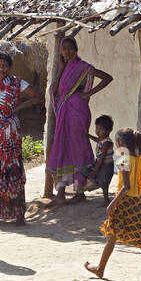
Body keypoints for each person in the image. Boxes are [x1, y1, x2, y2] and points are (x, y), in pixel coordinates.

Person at [84, 128, 141, 281]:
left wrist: (113, 203)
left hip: (124, 201)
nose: (116, 145)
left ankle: (100, 268)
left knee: (112, 233)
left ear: (122, 144)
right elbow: (137, 182)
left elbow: (126, 186)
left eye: (117, 142)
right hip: (138, 201)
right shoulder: (140, 160)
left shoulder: (123, 158)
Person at [43, 36, 112, 204]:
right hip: (63, 113)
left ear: (76, 49)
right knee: (64, 148)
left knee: (77, 148)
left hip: (77, 111)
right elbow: (57, 89)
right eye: (64, 48)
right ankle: (62, 193)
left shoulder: (82, 67)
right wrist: (61, 67)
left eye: (70, 48)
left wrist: (89, 93)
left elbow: (107, 78)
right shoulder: (64, 68)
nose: (67, 51)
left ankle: (79, 191)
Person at [0, 52, 40, 225]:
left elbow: (37, 97)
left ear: (9, 67)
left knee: (11, 169)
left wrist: (18, 108)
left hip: (9, 133)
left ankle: (18, 214)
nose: (2, 69)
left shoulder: (17, 83)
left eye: (5, 65)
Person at [81, 114, 116, 205]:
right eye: (97, 129)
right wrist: (88, 135)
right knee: (84, 170)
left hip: (106, 165)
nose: (98, 131)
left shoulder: (107, 143)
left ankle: (106, 200)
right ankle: (96, 182)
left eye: (101, 130)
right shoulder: (101, 139)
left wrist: (95, 170)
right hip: (99, 162)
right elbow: (97, 140)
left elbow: (102, 158)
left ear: (108, 130)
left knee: (104, 182)